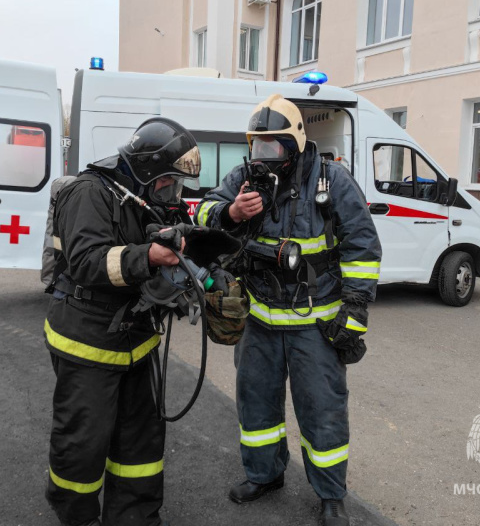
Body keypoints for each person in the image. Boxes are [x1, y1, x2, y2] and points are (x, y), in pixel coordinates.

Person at [195, 95, 382, 526]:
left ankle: (331, 496)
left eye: (273, 147)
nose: (263, 158)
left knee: (322, 411)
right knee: (256, 404)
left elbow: (363, 248)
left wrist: (353, 315)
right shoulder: (243, 178)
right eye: (256, 147)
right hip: (259, 319)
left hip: (315, 325)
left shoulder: (331, 180)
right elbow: (203, 210)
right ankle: (264, 475)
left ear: (294, 143)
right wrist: (231, 211)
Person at [44, 118, 200, 526]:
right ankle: (77, 518)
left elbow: (179, 230)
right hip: (87, 340)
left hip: (137, 340)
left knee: (141, 443)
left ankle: (137, 517)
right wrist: (147, 257)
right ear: (146, 170)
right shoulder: (89, 192)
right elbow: (86, 262)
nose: (173, 195)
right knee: (83, 442)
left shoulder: (149, 197)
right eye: (168, 183)